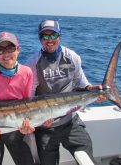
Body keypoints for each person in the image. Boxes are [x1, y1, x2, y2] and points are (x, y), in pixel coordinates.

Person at [27, 20, 102, 165]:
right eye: (44, 36)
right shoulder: (33, 62)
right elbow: (30, 96)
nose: (49, 40)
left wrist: (93, 90)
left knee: (86, 150)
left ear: (59, 36)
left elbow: (82, 82)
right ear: (40, 39)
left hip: (70, 121)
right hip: (46, 126)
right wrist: (40, 120)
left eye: (53, 35)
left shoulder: (71, 56)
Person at [0, 31, 35, 165]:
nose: (6, 53)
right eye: (0, 50)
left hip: (16, 127)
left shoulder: (27, 72)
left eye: (10, 48)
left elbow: (27, 104)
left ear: (18, 50)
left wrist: (28, 124)